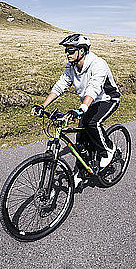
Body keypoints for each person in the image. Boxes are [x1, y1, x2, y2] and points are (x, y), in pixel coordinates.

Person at [31, 34, 121, 187]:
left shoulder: (98, 64)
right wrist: (43, 105)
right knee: (80, 138)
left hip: (107, 99)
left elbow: (94, 88)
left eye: (71, 50)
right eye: (66, 50)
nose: (67, 54)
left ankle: (108, 150)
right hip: (88, 102)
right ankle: (79, 173)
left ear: (82, 51)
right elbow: (60, 86)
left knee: (92, 123)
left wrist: (82, 109)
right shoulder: (71, 66)